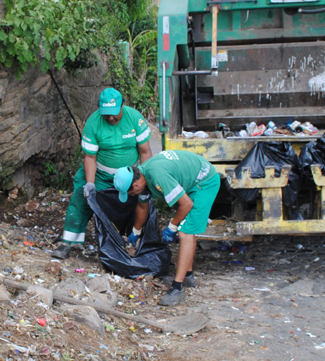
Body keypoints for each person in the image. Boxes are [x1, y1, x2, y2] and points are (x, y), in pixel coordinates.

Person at [50, 88, 152, 259]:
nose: (111, 118)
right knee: (81, 199)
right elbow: (90, 157)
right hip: (100, 175)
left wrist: (145, 179)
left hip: (129, 176)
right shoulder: (93, 123)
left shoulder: (135, 119)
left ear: (122, 106)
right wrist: (90, 183)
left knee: (139, 203)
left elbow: (145, 152)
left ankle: (135, 241)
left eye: (114, 114)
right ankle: (68, 242)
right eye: (106, 114)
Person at [113, 150, 221, 306]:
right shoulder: (143, 177)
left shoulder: (158, 176)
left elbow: (186, 204)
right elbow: (143, 208)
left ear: (135, 184)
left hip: (204, 182)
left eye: (130, 192)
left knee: (185, 232)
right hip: (191, 181)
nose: (131, 195)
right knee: (186, 230)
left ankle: (177, 288)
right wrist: (135, 232)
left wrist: (172, 227)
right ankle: (187, 275)